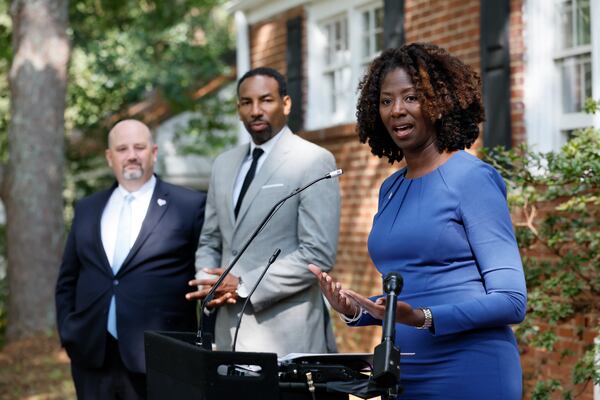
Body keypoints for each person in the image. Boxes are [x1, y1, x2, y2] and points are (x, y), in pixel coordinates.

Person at [309, 43, 527, 399]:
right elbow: (411, 291)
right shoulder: (391, 188)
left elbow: (511, 300)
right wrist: (357, 309)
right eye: (386, 101)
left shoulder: (472, 179)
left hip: (470, 369)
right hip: (402, 371)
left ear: (440, 104)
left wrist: (424, 317)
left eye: (411, 98)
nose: (396, 110)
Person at [186, 67, 340, 355]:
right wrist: (209, 283)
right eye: (246, 102)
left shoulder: (314, 161)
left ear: (286, 103)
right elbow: (210, 239)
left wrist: (243, 285)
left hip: (286, 336)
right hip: (225, 332)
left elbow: (318, 252)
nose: (255, 110)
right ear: (239, 108)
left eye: (266, 100)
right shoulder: (223, 164)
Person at [55, 119, 206, 399]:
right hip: (92, 355)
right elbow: (68, 279)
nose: (132, 155)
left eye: (139, 147)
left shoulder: (189, 205)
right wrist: (69, 331)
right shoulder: (88, 208)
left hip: (160, 357)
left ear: (154, 152)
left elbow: (207, 277)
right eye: (122, 149)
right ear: (110, 157)